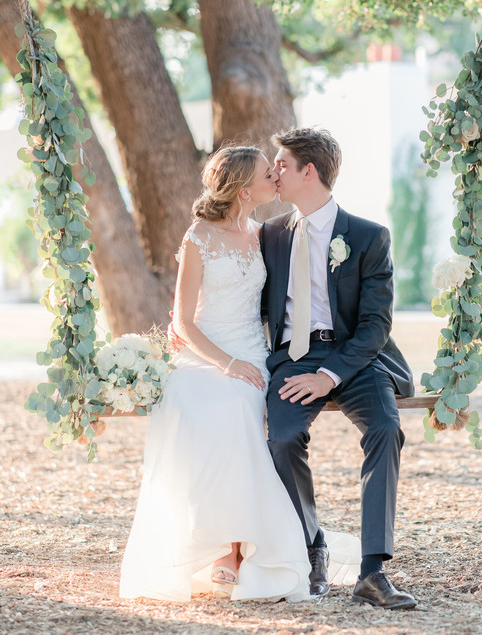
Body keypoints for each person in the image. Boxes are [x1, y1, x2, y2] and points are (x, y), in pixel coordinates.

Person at [120, 146, 313, 602]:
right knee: (195, 407)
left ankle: (236, 552)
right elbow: (183, 321)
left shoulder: (264, 233)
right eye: (270, 174)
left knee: (238, 408)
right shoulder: (199, 237)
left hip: (251, 348)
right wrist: (224, 362)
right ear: (246, 190)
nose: (277, 178)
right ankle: (209, 543)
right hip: (205, 350)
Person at [260, 127, 418, 610]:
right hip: (292, 357)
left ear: (309, 171)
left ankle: (373, 571)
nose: (273, 172)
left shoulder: (369, 237)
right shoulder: (268, 236)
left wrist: (329, 376)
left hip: (356, 357)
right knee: (282, 439)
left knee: (386, 428)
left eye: (281, 164)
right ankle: (313, 549)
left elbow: (375, 326)